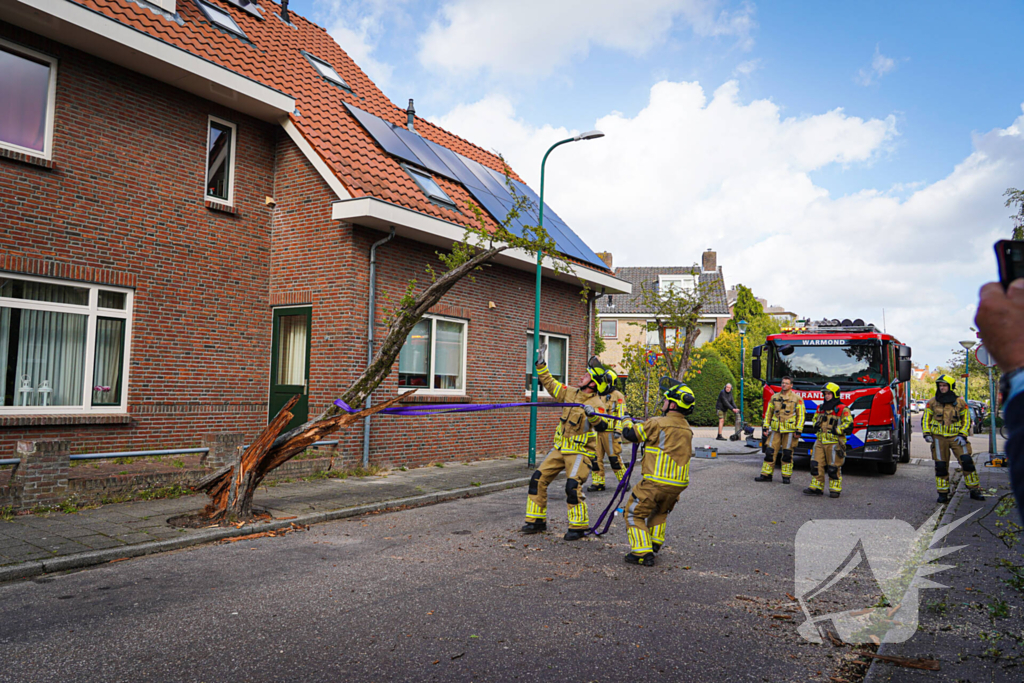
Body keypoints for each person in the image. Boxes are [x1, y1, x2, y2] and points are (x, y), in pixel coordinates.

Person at [522, 346, 617, 540]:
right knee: (537, 480)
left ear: (593, 384)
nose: (582, 376)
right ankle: (536, 521)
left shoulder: (597, 404)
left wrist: (595, 417)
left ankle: (579, 527)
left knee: (572, 486)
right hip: (560, 450)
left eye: (586, 375)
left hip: (580, 454)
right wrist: (541, 365)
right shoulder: (570, 393)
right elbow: (550, 384)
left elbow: (604, 426)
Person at [618, 378, 696, 566]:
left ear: (672, 404)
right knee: (660, 512)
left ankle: (641, 553)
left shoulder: (657, 422)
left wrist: (625, 419)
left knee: (632, 513)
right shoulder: (687, 429)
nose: (663, 403)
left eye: (665, 400)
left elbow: (630, 435)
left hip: (655, 482)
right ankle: (654, 544)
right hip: (677, 485)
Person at [974, 278, 1024, 522]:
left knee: (964, 464)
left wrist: (1018, 369)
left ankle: (973, 490)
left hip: (956, 440)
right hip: (940, 441)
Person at [922, 374, 985, 503]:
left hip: (957, 438)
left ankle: (974, 490)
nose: (942, 388)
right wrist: (927, 434)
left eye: (945, 386)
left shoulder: (960, 403)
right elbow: (926, 419)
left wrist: (963, 435)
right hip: (938, 439)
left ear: (951, 387)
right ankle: (943, 493)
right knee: (941, 466)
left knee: (967, 462)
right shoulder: (932, 402)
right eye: (940, 386)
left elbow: (967, 419)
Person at [804, 382, 853, 498]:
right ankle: (816, 487)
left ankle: (835, 489)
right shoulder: (820, 408)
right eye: (825, 394)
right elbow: (815, 418)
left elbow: (849, 424)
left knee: (833, 467)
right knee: (815, 464)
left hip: (835, 442)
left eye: (829, 394)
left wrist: (837, 430)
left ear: (835, 394)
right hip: (820, 441)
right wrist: (815, 424)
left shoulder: (843, 409)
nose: (826, 396)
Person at [757, 376, 806, 484]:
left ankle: (786, 476)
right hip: (775, 430)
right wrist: (765, 426)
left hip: (789, 431)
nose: (784, 385)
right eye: (783, 383)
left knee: (787, 453)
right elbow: (769, 413)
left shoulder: (797, 399)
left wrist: (799, 430)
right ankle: (766, 474)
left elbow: (801, 415)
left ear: (791, 385)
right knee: (770, 452)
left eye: (786, 383)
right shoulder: (774, 397)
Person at [589, 373, 627, 491]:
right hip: (597, 432)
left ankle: (624, 482)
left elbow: (622, 414)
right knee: (595, 459)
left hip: (611, 433)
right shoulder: (597, 395)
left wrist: (618, 430)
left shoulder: (618, 396)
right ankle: (598, 483)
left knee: (614, 460)